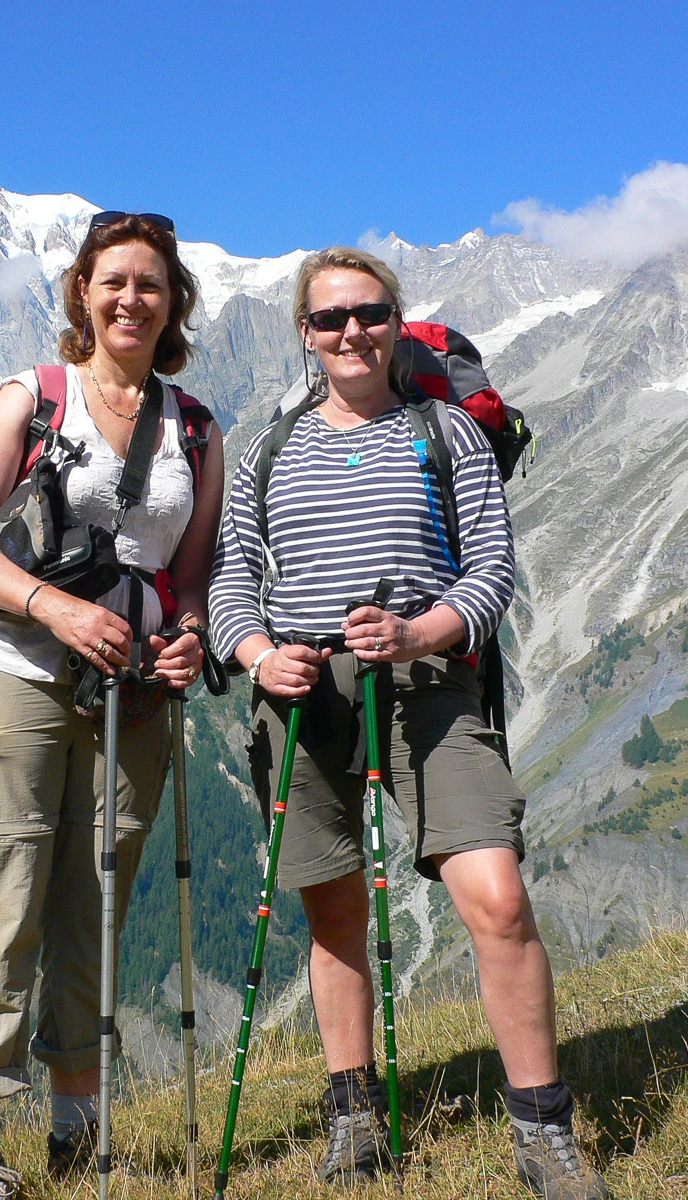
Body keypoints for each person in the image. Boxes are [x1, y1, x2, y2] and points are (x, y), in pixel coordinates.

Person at [208, 246, 608, 1200]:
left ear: (396, 321)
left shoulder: (445, 433)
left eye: (370, 313)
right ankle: (354, 1117)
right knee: (334, 911)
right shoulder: (267, 446)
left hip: (428, 683)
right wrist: (262, 654)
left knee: (498, 898)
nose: (351, 332)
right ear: (304, 335)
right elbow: (230, 581)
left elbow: (490, 572)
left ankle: (542, 1134)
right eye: (329, 319)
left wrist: (417, 628)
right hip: (301, 695)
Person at [0, 211, 224, 1199]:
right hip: (7, 670)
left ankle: (78, 1137)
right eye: (114, 281)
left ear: (174, 299)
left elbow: (188, 576)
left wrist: (182, 638)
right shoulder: (33, 399)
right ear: (82, 294)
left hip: (130, 689)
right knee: (2, 893)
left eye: (151, 283)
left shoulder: (198, 428)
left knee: (95, 901)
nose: (132, 298)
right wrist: (55, 607)